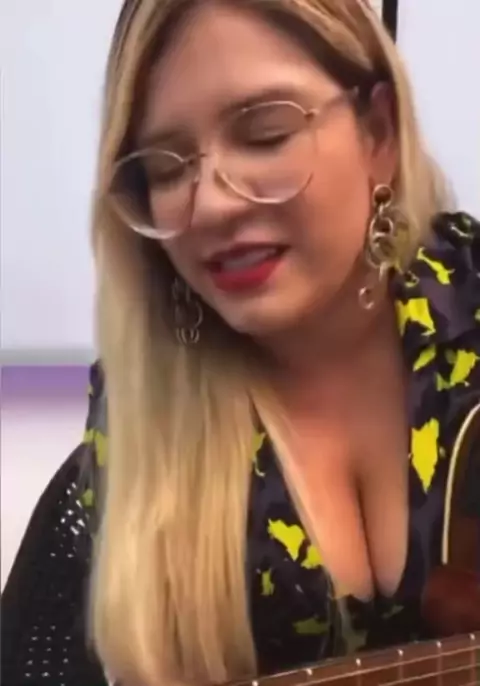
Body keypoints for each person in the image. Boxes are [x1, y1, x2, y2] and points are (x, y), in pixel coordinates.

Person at [3, 1, 479, 685]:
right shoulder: (137, 433)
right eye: (166, 170)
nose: (212, 204)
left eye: (264, 135)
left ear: (378, 132)